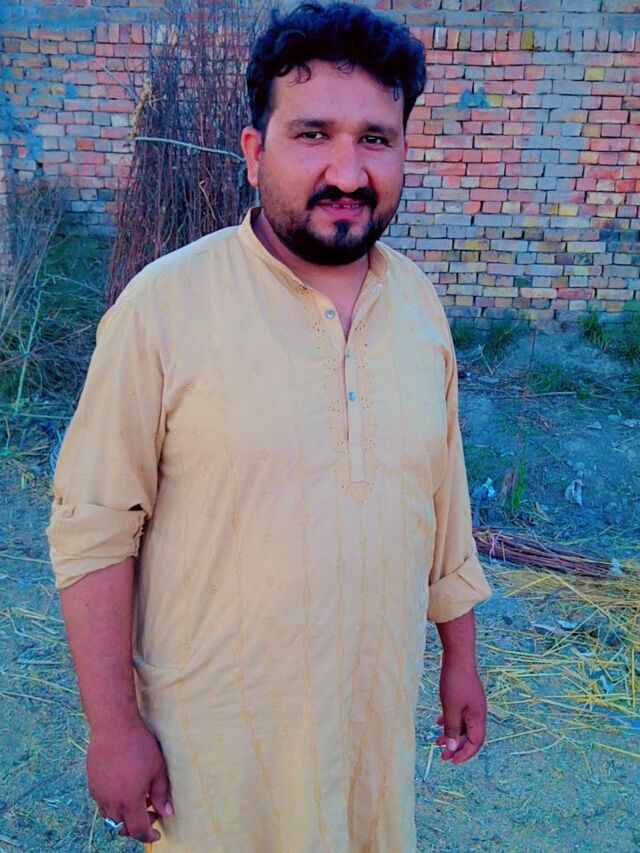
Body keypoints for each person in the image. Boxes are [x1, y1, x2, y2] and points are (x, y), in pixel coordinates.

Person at [47, 3, 492, 850]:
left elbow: (444, 503)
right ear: (255, 153)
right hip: (215, 758)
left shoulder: (420, 310)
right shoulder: (165, 307)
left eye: (375, 139)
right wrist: (113, 728)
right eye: (312, 134)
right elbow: (93, 528)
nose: (347, 171)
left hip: (369, 737)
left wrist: (461, 658)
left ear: (404, 151)